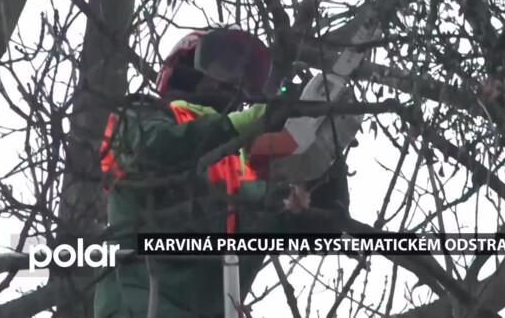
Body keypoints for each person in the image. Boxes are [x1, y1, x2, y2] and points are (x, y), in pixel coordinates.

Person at [92, 27, 348, 318]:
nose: (234, 81)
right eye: (223, 65)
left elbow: (319, 227)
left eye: (245, 74)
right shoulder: (136, 118)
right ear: (184, 68)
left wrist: (325, 147)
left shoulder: (247, 176)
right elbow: (156, 152)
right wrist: (252, 121)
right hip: (139, 308)